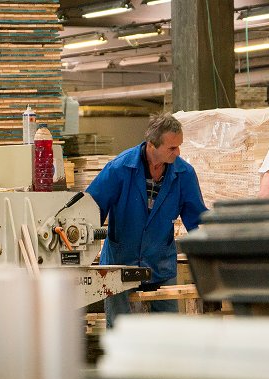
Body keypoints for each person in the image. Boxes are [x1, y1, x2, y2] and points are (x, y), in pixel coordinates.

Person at [86, 112, 207, 328]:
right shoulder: (119, 169)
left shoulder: (184, 174)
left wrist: (211, 257)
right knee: (120, 332)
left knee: (168, 331)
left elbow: (197, 221)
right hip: (120, 264)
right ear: (152, 145)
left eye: (179, 146)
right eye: (172, 148)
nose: (178, 153)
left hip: (160, 263)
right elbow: (90, 210)